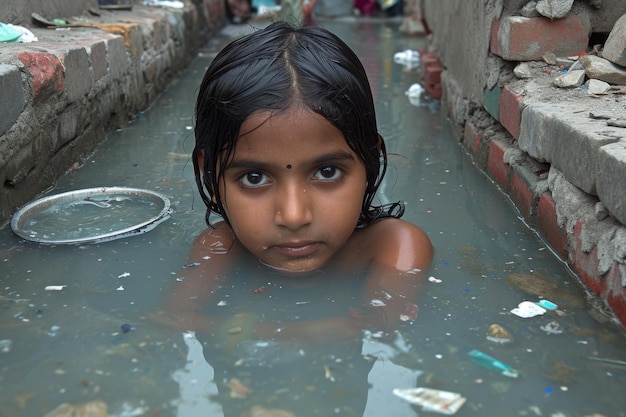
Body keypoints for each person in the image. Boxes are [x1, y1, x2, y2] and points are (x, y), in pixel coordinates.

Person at [157, 21, 433, 415]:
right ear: (210, 176)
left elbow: (376, 326)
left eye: (327, 172)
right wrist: (294, 334)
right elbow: (173, 317)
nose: (293, 215)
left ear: (369, 163)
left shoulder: (396, 247)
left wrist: (254, 333)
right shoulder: (222, 246)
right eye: (254, 178)